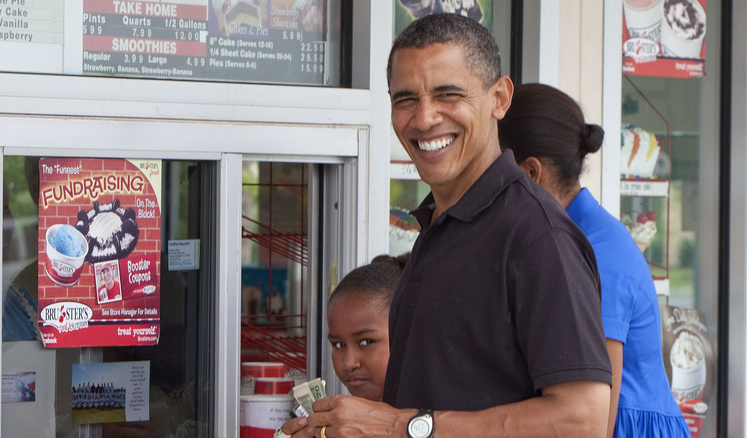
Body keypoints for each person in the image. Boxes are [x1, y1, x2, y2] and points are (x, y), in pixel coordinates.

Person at [298, 13, 612, 438]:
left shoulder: (537, 236)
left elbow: (582, 420)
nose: (425, 118)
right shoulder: (439, 223)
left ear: (499, 98)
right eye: (405, 99)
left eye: (448, 94)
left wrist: (398, 426)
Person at [498, 83, 690, 438]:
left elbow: (597, 416)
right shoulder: (571, 235)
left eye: (493, 175)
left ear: (530, 174)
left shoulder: (596, 249)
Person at [278, 254, 408, 436]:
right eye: (338, 345)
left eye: (366, 342)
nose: (348, 363)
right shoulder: (334, 424)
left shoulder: (442, 423)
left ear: (406, 335)